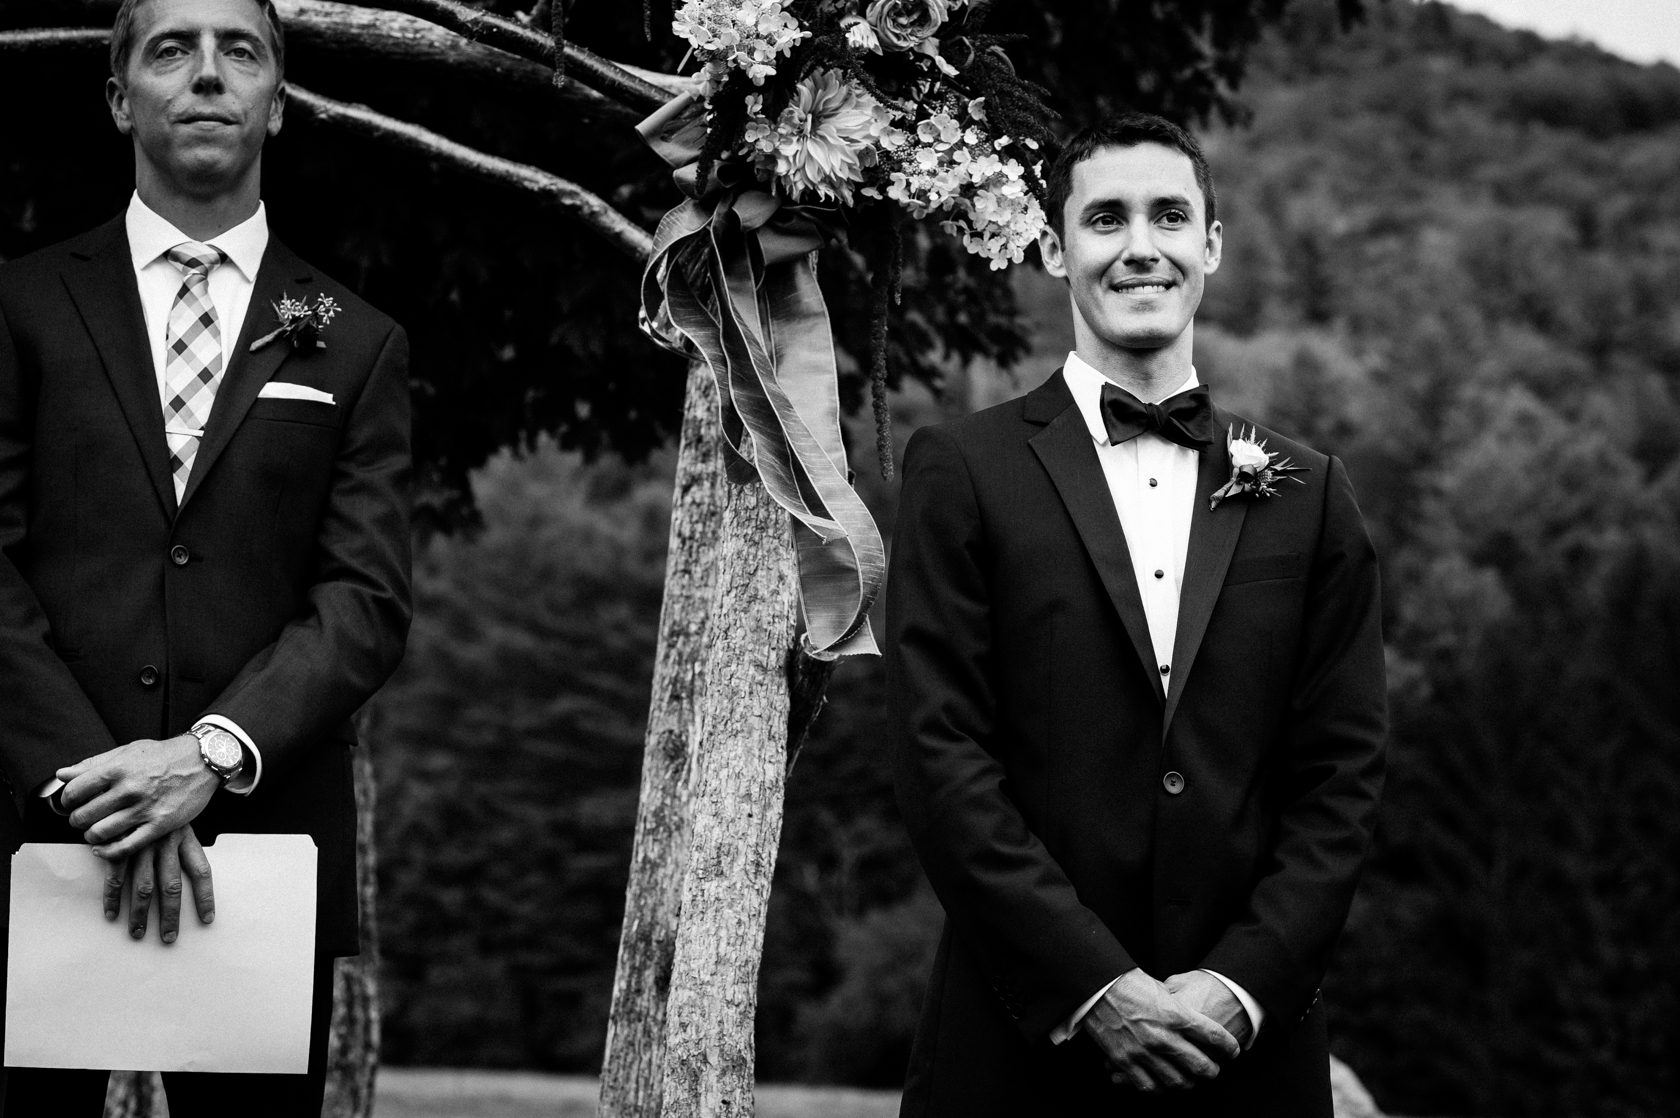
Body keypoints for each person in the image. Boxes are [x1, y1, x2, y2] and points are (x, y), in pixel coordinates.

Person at [887, 113, 1387, 1115]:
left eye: (1170, 215)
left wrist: (1242, 986)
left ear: (1211, 242)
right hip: (1016, 1053)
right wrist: (1091, 983)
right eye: (1105, 218)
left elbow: (1344, 776)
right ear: (1052, 245)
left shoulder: (1312, 491)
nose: (1140, 246)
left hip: (1248, 1058)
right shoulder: (961, 471)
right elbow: (939, 757)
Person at [0, 0, 411, 1112]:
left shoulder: (360, 341)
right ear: (119, 95)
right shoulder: (19, 305)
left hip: (261, 848)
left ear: (278, 102)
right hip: (33, 837)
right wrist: (104, 788)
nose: (208, 73)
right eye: (170, 48)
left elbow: (365, 600)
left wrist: (207, 755)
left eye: (242, 50)